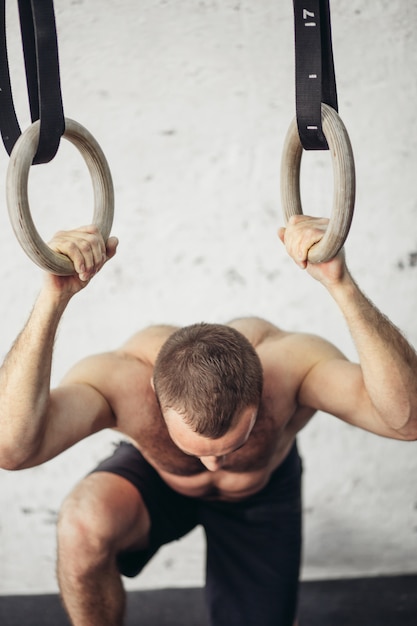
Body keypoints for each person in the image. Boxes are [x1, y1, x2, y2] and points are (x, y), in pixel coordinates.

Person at [1, 216, 417, 626]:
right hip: (158, 483)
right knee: (80, 525)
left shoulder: (292, 367)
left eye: (232, 447)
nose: (214, 465)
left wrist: (340, 285)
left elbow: (407, 421)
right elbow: (12, 449)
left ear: (261, 391)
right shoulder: (120, 381)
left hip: (261, 494)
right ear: (154, 393)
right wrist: (52, 299)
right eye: (194, 450)